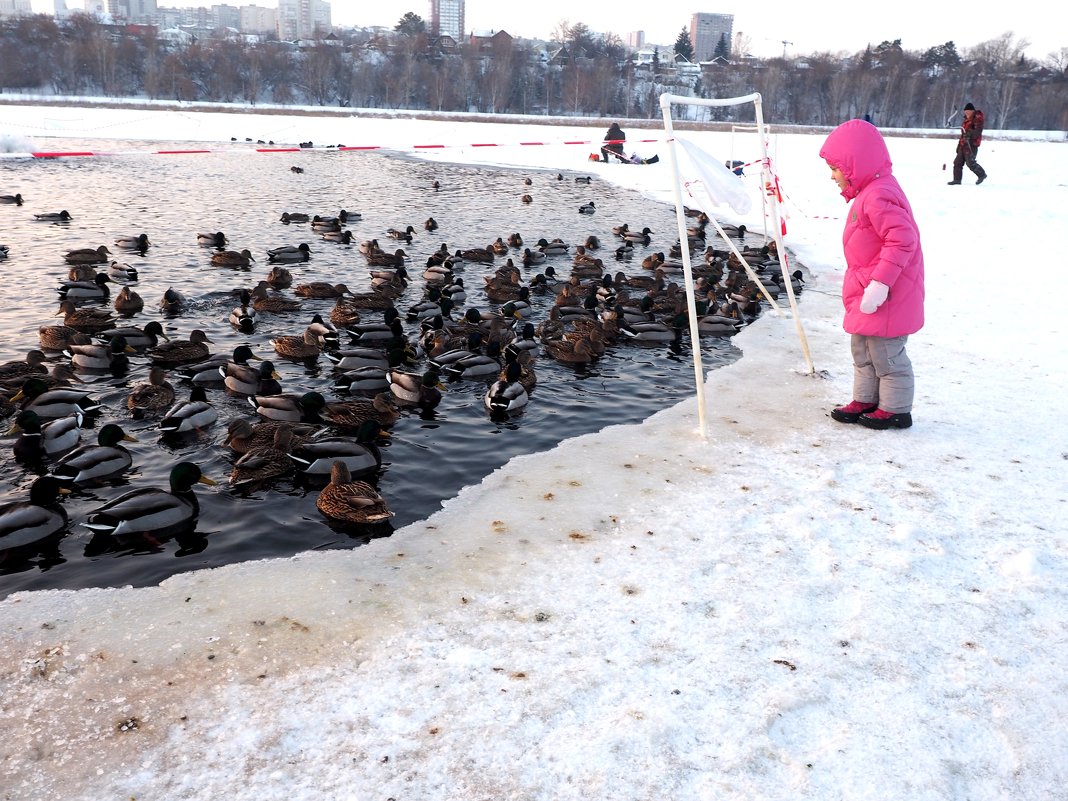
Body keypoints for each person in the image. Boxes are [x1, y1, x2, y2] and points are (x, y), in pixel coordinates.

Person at [819, 119, 925, 430]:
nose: (832, 175)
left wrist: (879, 284)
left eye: (836, 168)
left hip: (889, 293)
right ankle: (865, 399)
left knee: (886, 354)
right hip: (866, 291)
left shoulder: (879, 195)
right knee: (863, 348)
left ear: (855, 165)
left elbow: (903, 239)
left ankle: (895, 409)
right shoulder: (869, 193)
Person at [948, 102, 987, 185]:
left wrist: (969, 134)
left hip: (971, 145)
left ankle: (982, 174)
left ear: (972, 111)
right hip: (963, 144)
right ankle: (957, 180)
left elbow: (977, 132)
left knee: (970, 163)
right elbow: (963, 134)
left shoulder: (977, 119)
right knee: (957, 162)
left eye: (968, 112)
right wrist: (959, 146)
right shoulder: (966, 120)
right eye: (965, 112)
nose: (966, 113)